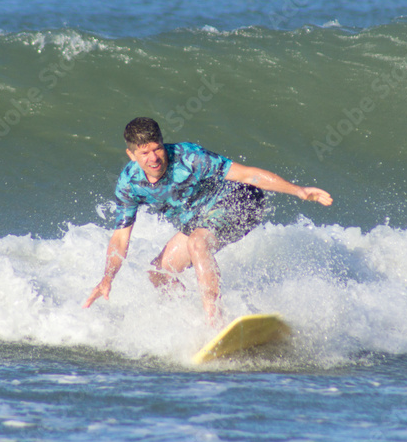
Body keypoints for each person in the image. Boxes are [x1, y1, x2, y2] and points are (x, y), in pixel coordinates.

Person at [83, 117, 332, 324]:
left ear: (162, 141)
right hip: (199, 221)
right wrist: (107, 278)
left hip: (240, 201)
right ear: (131, 154)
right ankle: (190, 319)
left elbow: (247, 175)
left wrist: (298, 190)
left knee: (198, 242)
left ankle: (214, 321)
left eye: (157, 148)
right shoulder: (130, 183)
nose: (153, 158)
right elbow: (120, 237)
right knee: (158, 273)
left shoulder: (189, 157)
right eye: (144, 153)